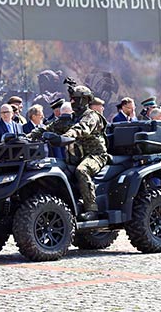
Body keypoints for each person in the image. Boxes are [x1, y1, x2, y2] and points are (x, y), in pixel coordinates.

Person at [57, 85, 108, 221]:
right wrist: (26, 138)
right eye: (72, 99)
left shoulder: (92, 116)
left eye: (76, 99)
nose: (72, 102)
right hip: (77, 157)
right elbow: (48, 127)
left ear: (85, 100)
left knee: (82, 170)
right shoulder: (71, 118)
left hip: (96, 155)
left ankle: (92, 209)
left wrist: (67, 135)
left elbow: (82, 128)